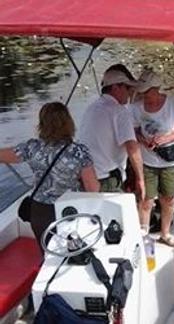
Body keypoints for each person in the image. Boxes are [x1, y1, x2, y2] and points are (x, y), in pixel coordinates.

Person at [0, 102, 100, 254]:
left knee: (48, 254)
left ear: (42, 124)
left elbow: (4, 155)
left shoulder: (32, 147)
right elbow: (93, 187)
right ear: (68, 123)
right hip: (69, 210)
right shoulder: (79, 152)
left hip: (40, 212)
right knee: (71, 255)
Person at [130, 70, 174, 247]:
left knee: (169, 198)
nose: (144, 95)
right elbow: (135, 130)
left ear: (157, 88)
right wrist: (143, 140)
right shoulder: (136, 107)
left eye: (148, 91)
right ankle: (143, 234)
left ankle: (165, 233)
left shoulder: (172, 104)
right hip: (147, 160)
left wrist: (167, 138)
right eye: (142, 91)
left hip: (169, 159)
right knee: (146, 199)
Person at [79, 65, 145, 200]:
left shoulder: (91, 108)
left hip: (85, 178)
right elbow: (132, 147)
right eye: (128, 88)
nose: (130, 93)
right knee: (114, 218)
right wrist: (140, 180)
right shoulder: (119, 111)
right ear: (116, 87)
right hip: (106, 180)